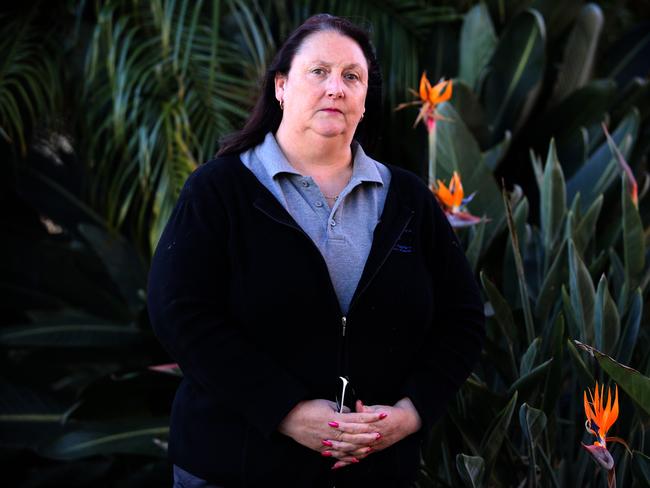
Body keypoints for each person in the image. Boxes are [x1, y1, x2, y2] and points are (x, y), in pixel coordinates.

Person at [147, 13, 485, 488]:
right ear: (281, 86)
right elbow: (178, 313)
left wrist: (411, 413)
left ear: (365, 100)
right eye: (318, 72)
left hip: (374, 471)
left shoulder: (408, 200)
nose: (336, 88)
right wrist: (286, 411)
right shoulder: (219, 190)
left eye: (352, 76)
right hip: (236, 467)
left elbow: (463, 317)